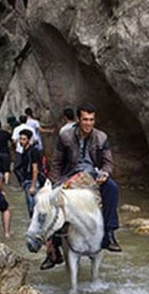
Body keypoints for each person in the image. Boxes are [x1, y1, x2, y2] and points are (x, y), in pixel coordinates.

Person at [48, 103, 122, 252]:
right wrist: (55, 183)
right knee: (52, 199)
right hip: (70, 175)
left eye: (91, 119)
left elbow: (108, 162)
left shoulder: (101, 137)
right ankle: (54, 247)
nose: (88, 123)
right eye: (85, 119)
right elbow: (56, 162)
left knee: (112, 188)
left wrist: (105, 173)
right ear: (78, 120)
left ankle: (109, 233)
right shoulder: (66, 136)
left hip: (93, 174)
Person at [18, 129, 42, 217]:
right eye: (20, 139)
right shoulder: (25, 151)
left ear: (29, 140)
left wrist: (33, 185)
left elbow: (35, 169)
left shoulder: (33, 151)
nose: (21, 141)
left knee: (34, 207)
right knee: (31, 208)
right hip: (27, 180)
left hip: (32, 181)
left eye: (24, 139)